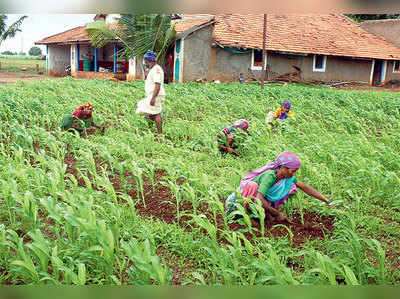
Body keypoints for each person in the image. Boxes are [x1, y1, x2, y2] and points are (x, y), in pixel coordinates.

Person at [225, 152, 332, 222]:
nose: (293, 174)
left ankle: (258, 216)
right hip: (236, 203)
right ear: (283, 168)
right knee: (253, 187)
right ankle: (242, 215)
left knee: (289, 189)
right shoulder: (270, 176)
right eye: (293, 171)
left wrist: (327, 201)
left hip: (255, 203)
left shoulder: (286, 178)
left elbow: (306, 188)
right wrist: (277, 213)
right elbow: (258, 198)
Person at [136, 50, 166, 134]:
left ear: (151, 61)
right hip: (152, 95)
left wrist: (153, 98)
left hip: (155, 95)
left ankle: (160, 134)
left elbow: (157, 85)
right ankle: (150, 130)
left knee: (156, 114)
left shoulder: (157, 70)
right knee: (149, 112)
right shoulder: (153, 69)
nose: (146, 64)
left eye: (146, 62)